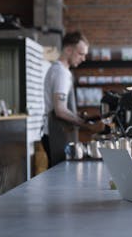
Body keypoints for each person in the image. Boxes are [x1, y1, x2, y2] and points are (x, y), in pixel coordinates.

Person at [41, 31, 104, 168]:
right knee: (59, 177)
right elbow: (60, 110)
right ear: (69, 50)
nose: (83, 59)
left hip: (55, 133)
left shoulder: (59, 70)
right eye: (81, 54)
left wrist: (79, 116)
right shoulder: (61, 73)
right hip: (56, 135)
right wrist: (86, 125)